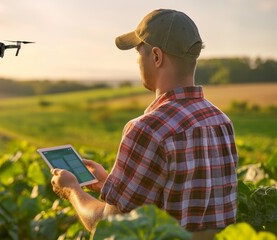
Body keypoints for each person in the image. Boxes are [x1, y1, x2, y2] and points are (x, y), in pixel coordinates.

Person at [51, 8, 238, 236]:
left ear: (157, 57)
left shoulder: (147, 128)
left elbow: (110, 227)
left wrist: (71, 189)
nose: (138, 60)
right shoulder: (221, 122)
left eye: (139, 51)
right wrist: (111, 184)